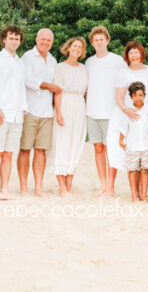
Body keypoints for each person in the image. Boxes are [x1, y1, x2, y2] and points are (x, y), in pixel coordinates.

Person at [106, 41, 148, 196]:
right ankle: (134, 192)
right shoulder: (124, 72)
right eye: (131, 53)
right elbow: (119, 97)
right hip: (133, 116)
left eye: (137, 52)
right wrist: (127, 110)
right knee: (134, 150)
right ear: (127, 56)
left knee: (147, 151)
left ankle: (143, 193)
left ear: (141, 53)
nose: (134, 55)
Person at [0, 25, 26, 200]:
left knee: (9, 153)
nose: (14, 42)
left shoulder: (20, 62)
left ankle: (4, 188)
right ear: (4, 39)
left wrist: (23, 108)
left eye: (17, 39)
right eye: (11, 38)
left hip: (16, 115)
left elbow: (21, 87)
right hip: (1, 113)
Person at [85, 25, 126, 195]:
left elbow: (124, 84)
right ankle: (102, 184)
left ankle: (110, 186)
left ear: (107, 40)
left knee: (111, 150)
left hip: (111, 112)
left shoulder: (118, 60)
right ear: (92, 43)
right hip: (92, 111)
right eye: (96, 40)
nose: (99, 42)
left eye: (102, 39)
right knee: (98, 148)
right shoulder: (89, 62)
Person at [19, 28, 59, 197]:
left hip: (47, 112)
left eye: (48, 40)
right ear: (36, 40)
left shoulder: (53, 60)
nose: (45, 42)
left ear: (52, 43)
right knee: (25, 149)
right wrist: (49, 86)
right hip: (30, 110)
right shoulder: (27, 57)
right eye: (42, 39)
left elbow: (57, 84)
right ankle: (23, 187)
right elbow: (28, 80)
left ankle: (38, 187)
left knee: (41, 151)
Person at [51, 36, 88, 196]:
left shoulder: (83, 68)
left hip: (79, 105)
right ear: (68, 48)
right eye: (75, 46)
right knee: (63, 142)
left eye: (80, 47)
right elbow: (58, 91)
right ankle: (61, 186)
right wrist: (58, 112)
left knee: (76, 143)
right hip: (65, 103)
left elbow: (86, 91)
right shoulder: (59, 67)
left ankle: (69, 184)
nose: (77, 49)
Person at [118, 82, 148, 202]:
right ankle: (134, 195)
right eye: (135, 95)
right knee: (133, 171)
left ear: (144, 95)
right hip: (132, 146)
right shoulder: (129, 112)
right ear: (131, 97)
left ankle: (144, 195)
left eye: (140, 95)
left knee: (144, 171)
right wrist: (121, 140)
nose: (138, 98)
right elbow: (123, 128)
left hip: (145, 146)